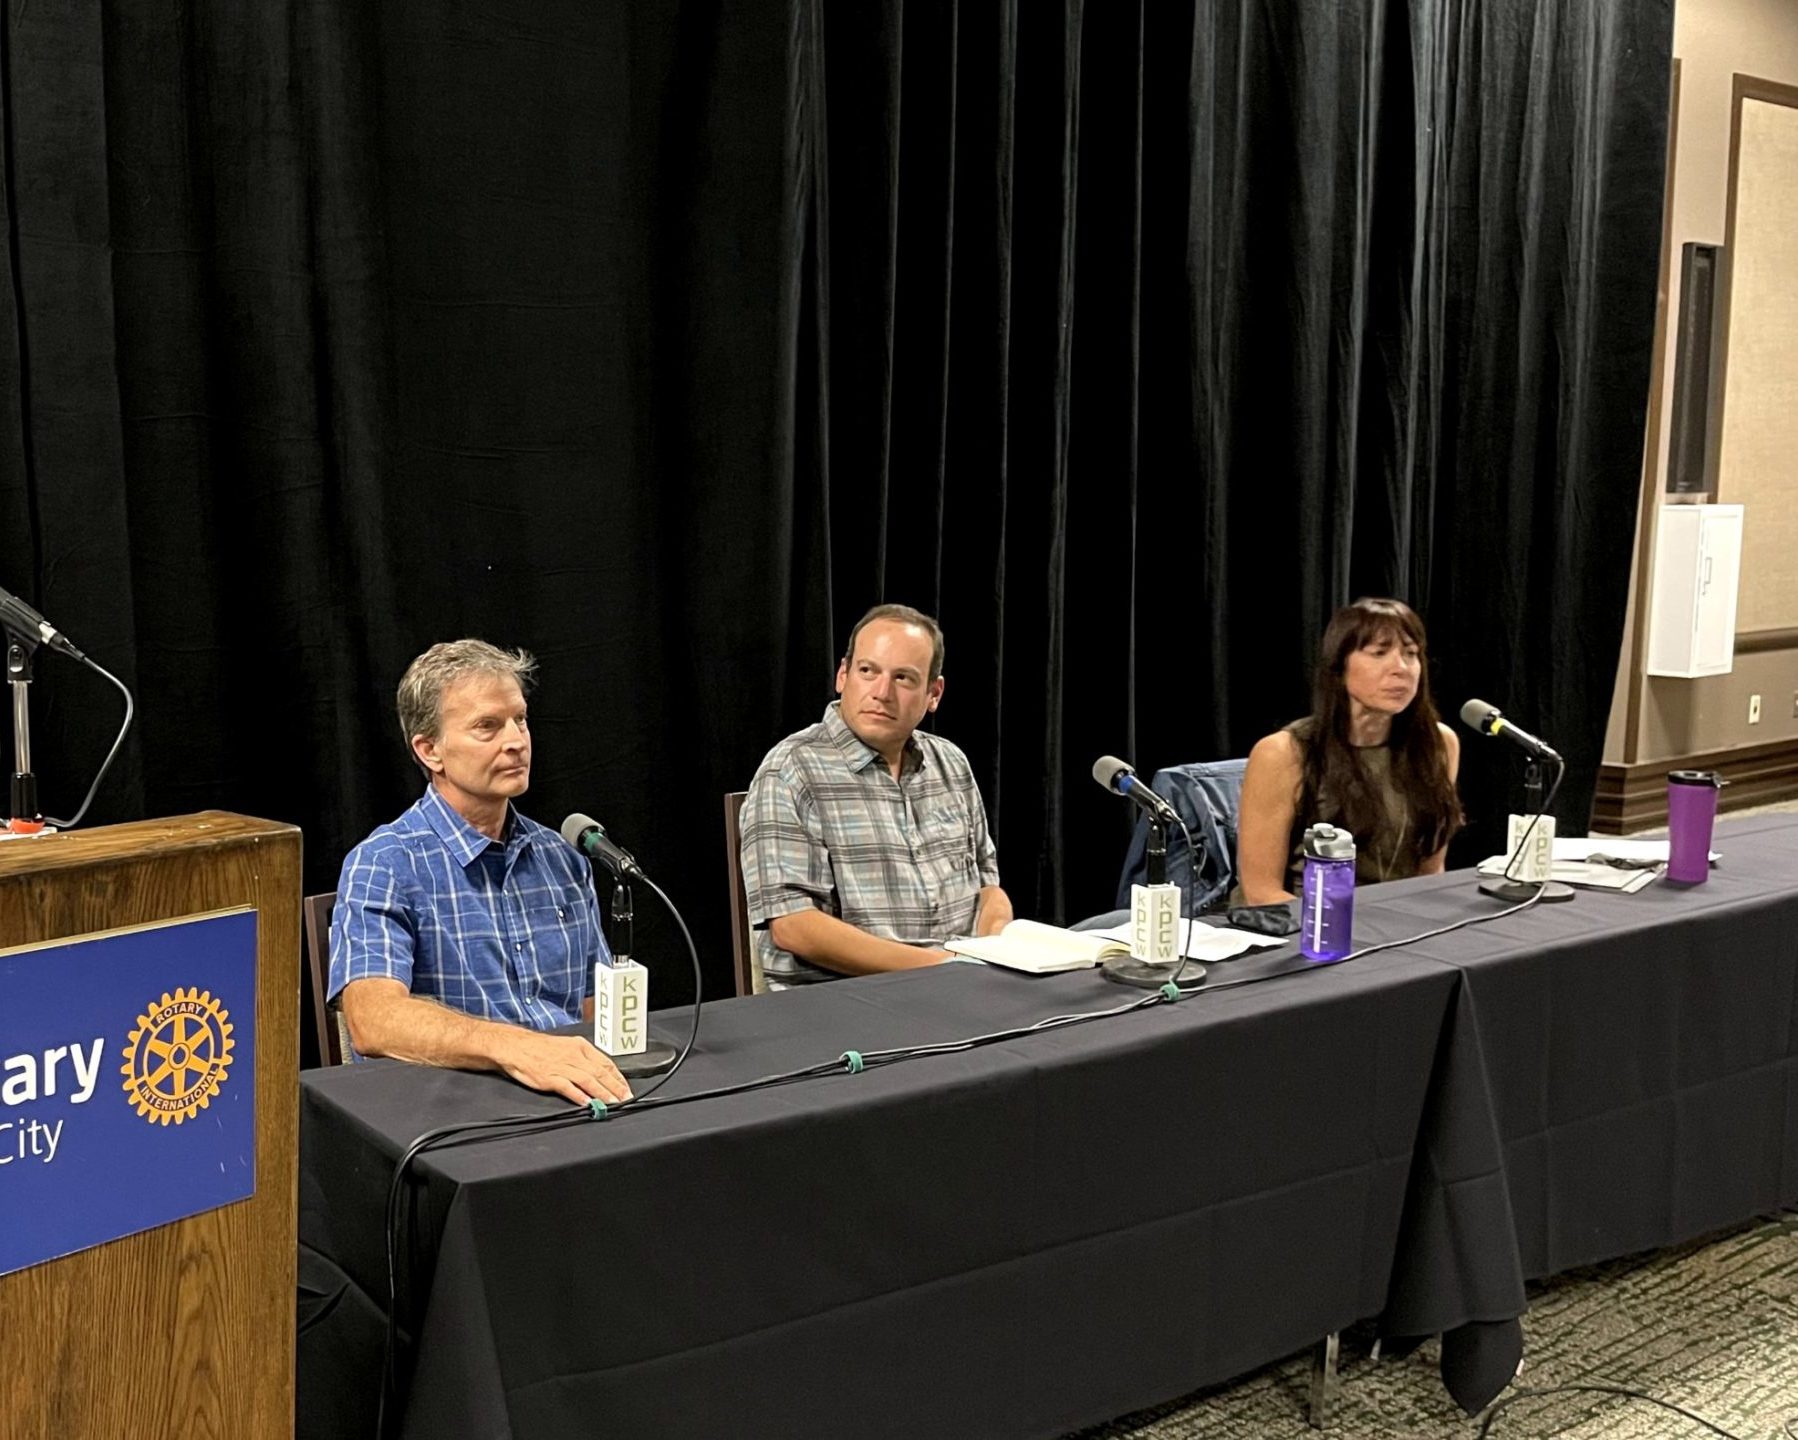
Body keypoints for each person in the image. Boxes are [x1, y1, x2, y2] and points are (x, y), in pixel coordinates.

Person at [328, 639, 631, 1104]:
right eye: (487, 727)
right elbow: (373, 1021)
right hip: (461, 1115)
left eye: (520, 719)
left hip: (572, 1101)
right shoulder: (385, 863)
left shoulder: (562, 857)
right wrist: (515, 1047)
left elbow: (596, 1014)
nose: (516, 741)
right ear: (431, 751)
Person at [740, 603, 1013, 987]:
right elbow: (795, 926)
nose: (882, 692)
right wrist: (943, 967)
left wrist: (996, 948)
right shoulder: (791, 770)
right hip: (848, 1000)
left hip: (963, 985)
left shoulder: (950, 763)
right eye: (868, 671)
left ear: (934, 693)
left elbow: (987, 885)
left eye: (903, 678)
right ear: (843, 674)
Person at [1234, 597, 1462, 905]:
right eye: (1380, 653)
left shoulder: (1438, 744)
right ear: (1340, 666)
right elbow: (1261, 892)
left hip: (1398, 926)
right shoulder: (1283, 753)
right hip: (1304, 925)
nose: (1401, 669)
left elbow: (1429, 874)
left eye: (1411, 654)